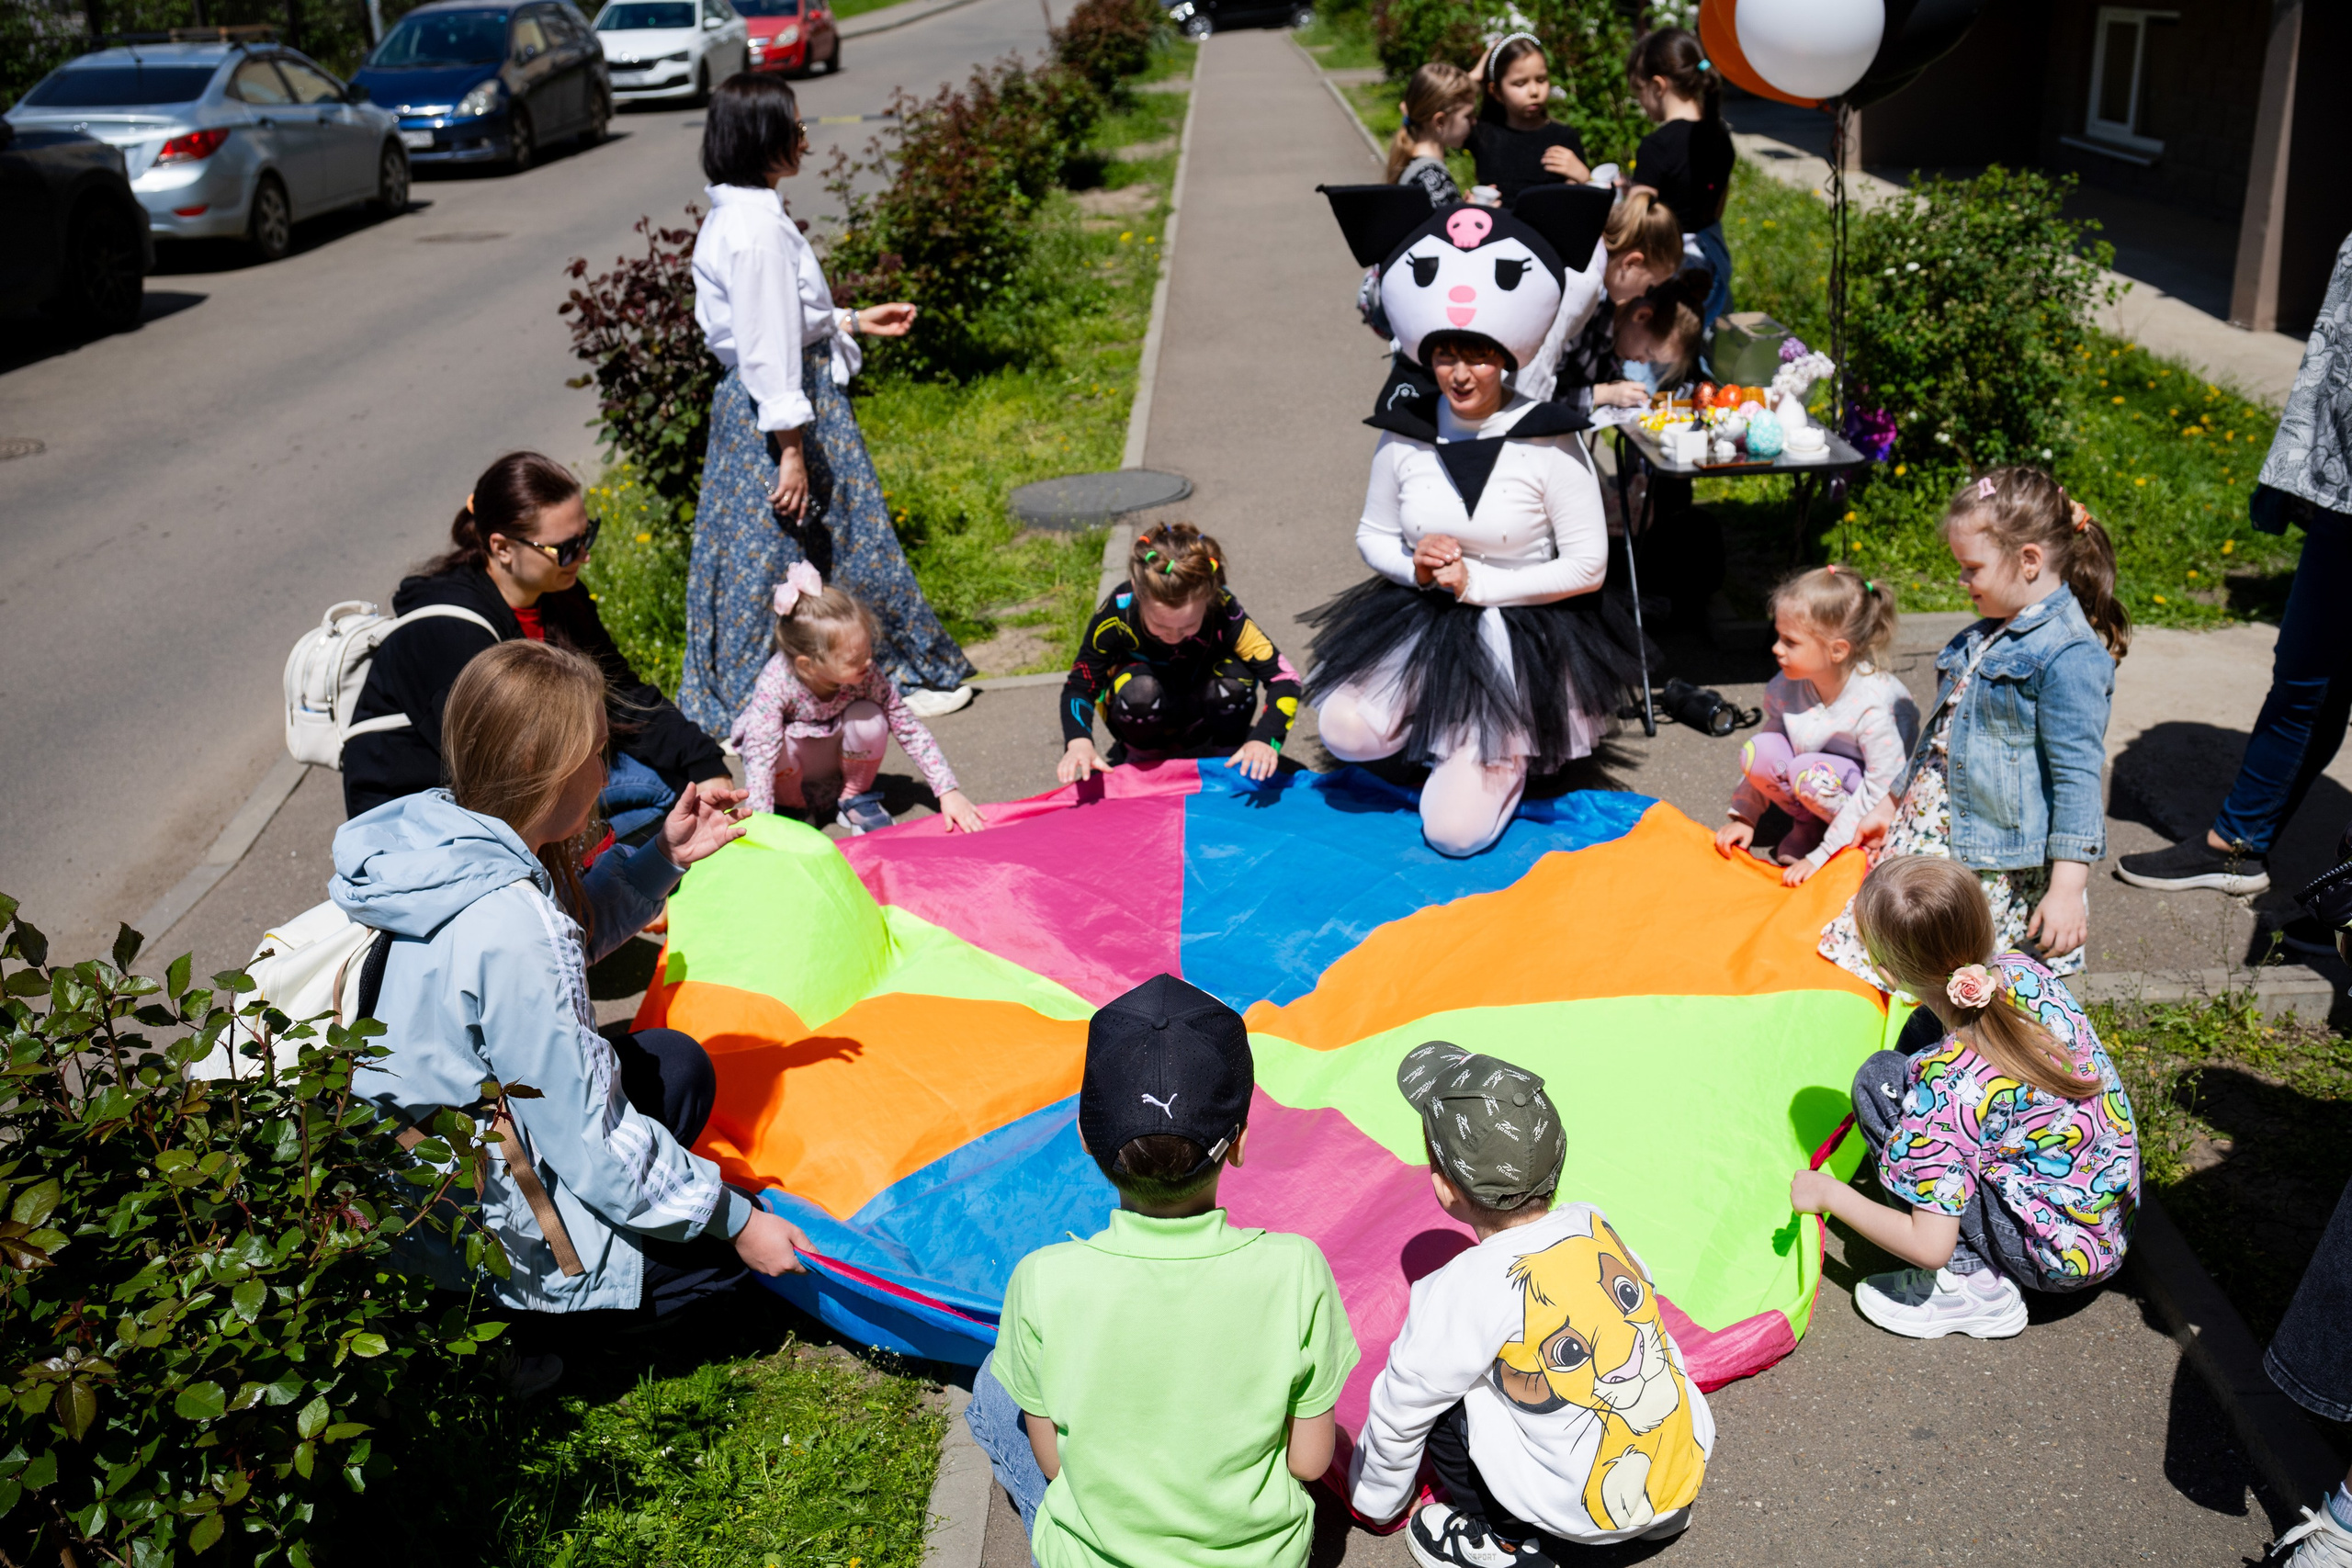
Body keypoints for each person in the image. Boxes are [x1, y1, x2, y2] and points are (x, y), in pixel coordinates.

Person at [332, 640, 810, 1393]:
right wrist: (737, 1220)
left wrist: (662, 855)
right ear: (547, 766)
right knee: (734, 1273)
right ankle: (518, 1331)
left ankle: (497, 1301)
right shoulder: (515, 924)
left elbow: (557, 952)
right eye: (600, 753)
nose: (610, 773)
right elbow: (593, 1137)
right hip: (476, 1222)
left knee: (674, 1064)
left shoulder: (438, 833)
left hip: (427, 1182)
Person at [963, 974, 1359, 1568]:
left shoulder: (1043, 1279)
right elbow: (1307, 1461)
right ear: (1242, 1140)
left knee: (997, 1383)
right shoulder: (1296, 1268)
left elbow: (1052, 1462)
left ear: (1086, 1138)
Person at [1312, 184, 1639, 858]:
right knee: (1343, 729)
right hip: (1422, 614)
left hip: (1517, 628)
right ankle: (1433, 735)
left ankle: (1495, 755)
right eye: (1445, 355)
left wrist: (1479, 587)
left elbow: (1587, 566)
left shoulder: (1551, 438)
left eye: (1479, 354)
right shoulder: (1404, 434)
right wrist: (1417, 565)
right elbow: (1372, 534)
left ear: (1508, 355)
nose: (1461, 373)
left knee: (1453, 835)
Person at [681, 71, 975, 739]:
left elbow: (785, 321)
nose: (805, 139)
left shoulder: (746, 216)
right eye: (796, 126)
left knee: (787, 549)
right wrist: (791, 451)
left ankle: (820, 678)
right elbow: (766, 346)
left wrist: (852, 320)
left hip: (777, 405)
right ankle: (862, 674)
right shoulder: (753, 229)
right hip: (783, 412)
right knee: (817, 546)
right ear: (764, 137)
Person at [1349, 1042, 1712, 1562]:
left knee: (1442, 1401)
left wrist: (1375, 1501)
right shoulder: (1594, 1223)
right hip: (1676, 1475)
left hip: (1576, 1514)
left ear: (1445, 1189)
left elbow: (1401, 1407)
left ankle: (1507, 1540)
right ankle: (1658, 1518)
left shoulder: (1461, 1287)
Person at [1793, 855, 2141, 1338]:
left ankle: (1971, 1288)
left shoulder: (1948, 1085)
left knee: (1878, 1080)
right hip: (2106, 1219)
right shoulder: (2023, 972)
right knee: (1921, 1029)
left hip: (2051, 1258)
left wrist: (1830, 1194)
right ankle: (1925, 1169)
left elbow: (1927, 1245)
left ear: (1887, 973)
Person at [1818, 467, 2129, 984]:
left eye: (1972, 569)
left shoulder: (2069, 654)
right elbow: (1942, 740)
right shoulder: (1990, 633)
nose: (1961, 582)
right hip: (1937, 833)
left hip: (1988, 858)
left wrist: (2068, 889)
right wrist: (1893, 801)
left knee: (1955, 969)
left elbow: (2076, 778)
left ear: (2029, 560)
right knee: (1897, 954)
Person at [2117, 233, 2352, 908]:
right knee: (2312, 675)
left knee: (2309, 674)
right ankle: (2241, 845)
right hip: (2342, 478)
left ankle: (2282, 868)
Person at [341, 451, 729, 829]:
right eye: (566, 548)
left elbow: (621, 695)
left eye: (586, 535)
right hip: (419, 821)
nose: (584, 557)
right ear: (502, 548)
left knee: (684, 792)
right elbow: (500, 772)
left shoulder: (558, 595)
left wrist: (704, 764)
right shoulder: (448, 632)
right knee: (667, 794)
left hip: (526, 777)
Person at [730, 562, 985, 834]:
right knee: (769, 739)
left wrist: (947, 791)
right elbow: (760, 756)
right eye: (854, 659)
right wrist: (760, 826)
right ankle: (794, 810)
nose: (868, 662)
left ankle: (853, 798)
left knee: (870, 716)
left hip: (835, 773)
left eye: (868, 650)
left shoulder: (867, 674)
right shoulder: (777, 682)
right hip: (790, 779)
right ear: (808, 666)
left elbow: (907, 725)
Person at [1714, 564, 1916, 884]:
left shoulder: (1876, 704)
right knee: (1760, 751)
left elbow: (1882, 788)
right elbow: (1771, 742)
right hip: (1822, 779)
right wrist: (1745, 817)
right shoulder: (1788, 684)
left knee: (1809, 774)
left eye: (1790, 642)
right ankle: (1809, 824)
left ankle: (1843, 842)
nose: (1776, 648)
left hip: (1866, 799)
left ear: (1837, 650)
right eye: (1778, 636)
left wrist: (1823, 855)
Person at [1057, 523, 1302, 784]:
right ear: (1138, 593)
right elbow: (1080, 684)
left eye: (1189, 626)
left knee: (1232, 683)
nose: (1174, 636)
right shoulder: (1118, 612)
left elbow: (1284, 678)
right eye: (1160, 625)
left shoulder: (1223, 609)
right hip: (1143, 710)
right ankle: (1144, 758)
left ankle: (1228, 753)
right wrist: (1078, 740)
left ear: (1208, 601)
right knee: (1140, 692)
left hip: (1207, 707)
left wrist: (1266, 739)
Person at [1529, 186, 1684, 408]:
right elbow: (1537, 378)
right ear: (1631, 263)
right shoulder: (1585, 282)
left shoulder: (1590, 262)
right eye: (1649, 285)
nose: (1642, 295)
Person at [1623, 28, 1735, 331]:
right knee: (1703, 341)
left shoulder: (1656, 146)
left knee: (1661, 349)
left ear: (1658, 86)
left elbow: (1638, 220)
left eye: (1639, 94)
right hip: (1713, 261)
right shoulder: (1720, 135)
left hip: (1670, 267)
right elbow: (1718, 205)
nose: (1642, 105)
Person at [1467, 34, 1589, 203]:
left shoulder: (1564, 138)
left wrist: (1584, 177)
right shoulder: (1483, 134)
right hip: (1497, 228)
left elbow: (1583, 205)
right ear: (1496, 91)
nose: (1534, 91)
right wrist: (1475, 75)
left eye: (1541, 80)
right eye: (1520, 83)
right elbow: (1429, 111)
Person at [1387, 61, 1477, 206]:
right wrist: (1478, 212)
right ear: (1440, 122)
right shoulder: (1434, 179)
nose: (1474, 121)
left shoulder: (1416, 166)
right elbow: (1443, 228)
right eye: (1468, 116)